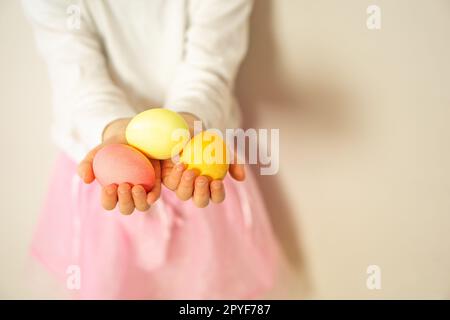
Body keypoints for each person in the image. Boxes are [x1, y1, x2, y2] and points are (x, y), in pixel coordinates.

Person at [23, 0, 279, 299]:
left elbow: (211, 66)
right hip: (106, 170)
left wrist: (187, 124)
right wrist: (112, 130)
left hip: (196, 163)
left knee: (202, 288)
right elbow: (76, 74)